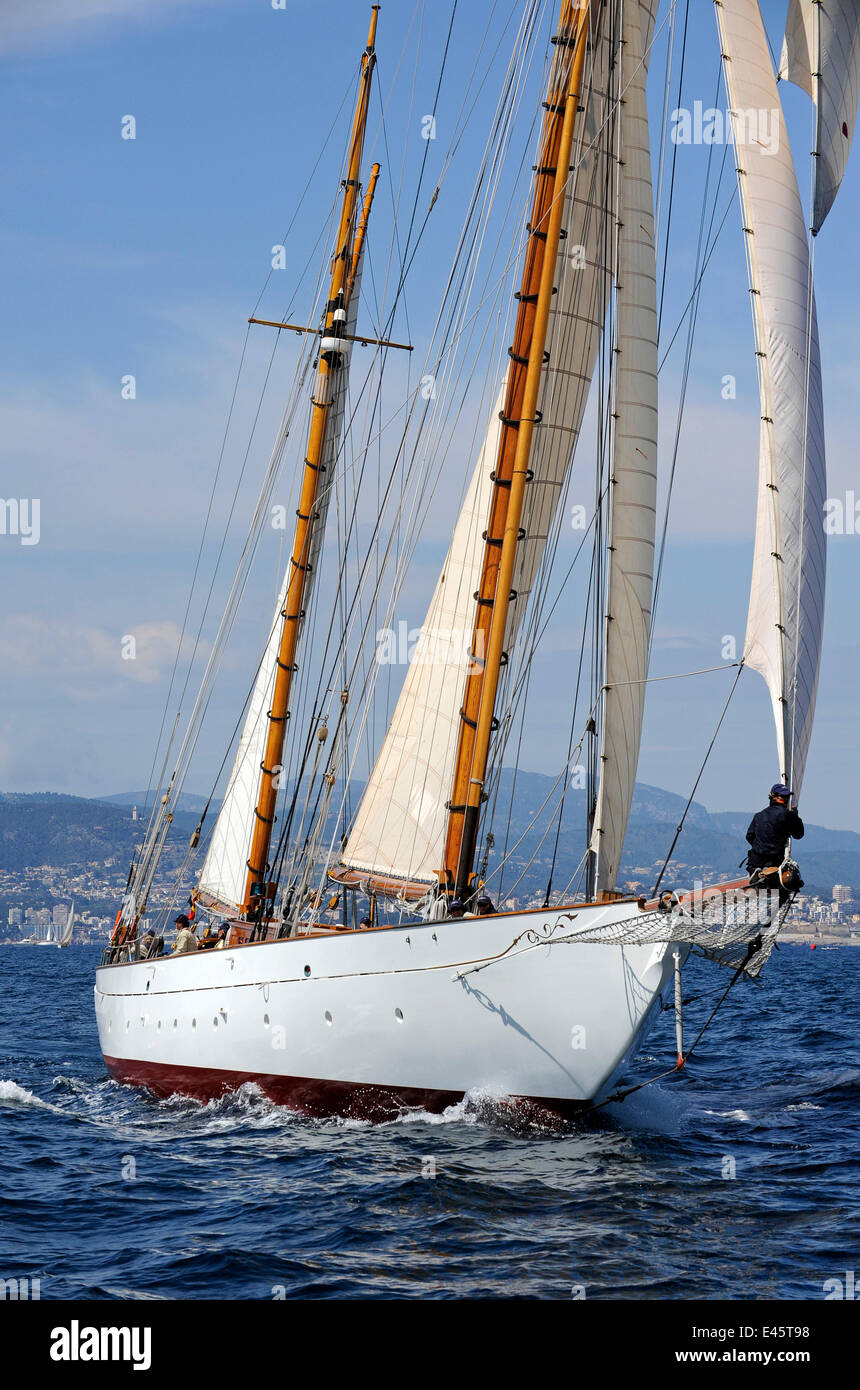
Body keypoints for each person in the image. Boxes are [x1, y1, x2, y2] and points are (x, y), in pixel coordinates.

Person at [745, 784, 804, 889]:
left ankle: (758, 873)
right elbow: (798, 834)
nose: (786, 799)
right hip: (775, 859)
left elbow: (749, 836)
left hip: (756, 859)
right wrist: (795, 816)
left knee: (762, 888)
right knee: (790, 883)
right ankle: (765, 876)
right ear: (774, 796)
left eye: (787, 796)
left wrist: (761, 846)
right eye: (784, 796)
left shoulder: (759, 815)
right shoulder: (787, 815)